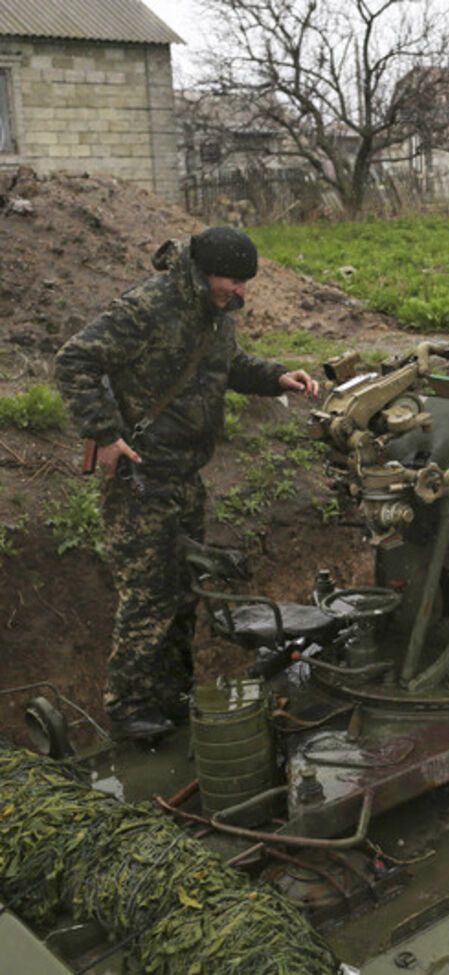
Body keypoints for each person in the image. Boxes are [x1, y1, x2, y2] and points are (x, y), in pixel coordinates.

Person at [55, 227, 319, 741]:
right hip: (139, 477)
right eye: (233, 281)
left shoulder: (213, 314)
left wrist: (276, 377)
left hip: (183, 476)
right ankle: (130, 709)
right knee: (147, 595)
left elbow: (228, 366)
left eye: (247, 283)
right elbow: (74, 360)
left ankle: (174, 696)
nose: (241, 292)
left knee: (183, 594)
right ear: (203, 273)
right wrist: (104, 434)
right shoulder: (149, 306)